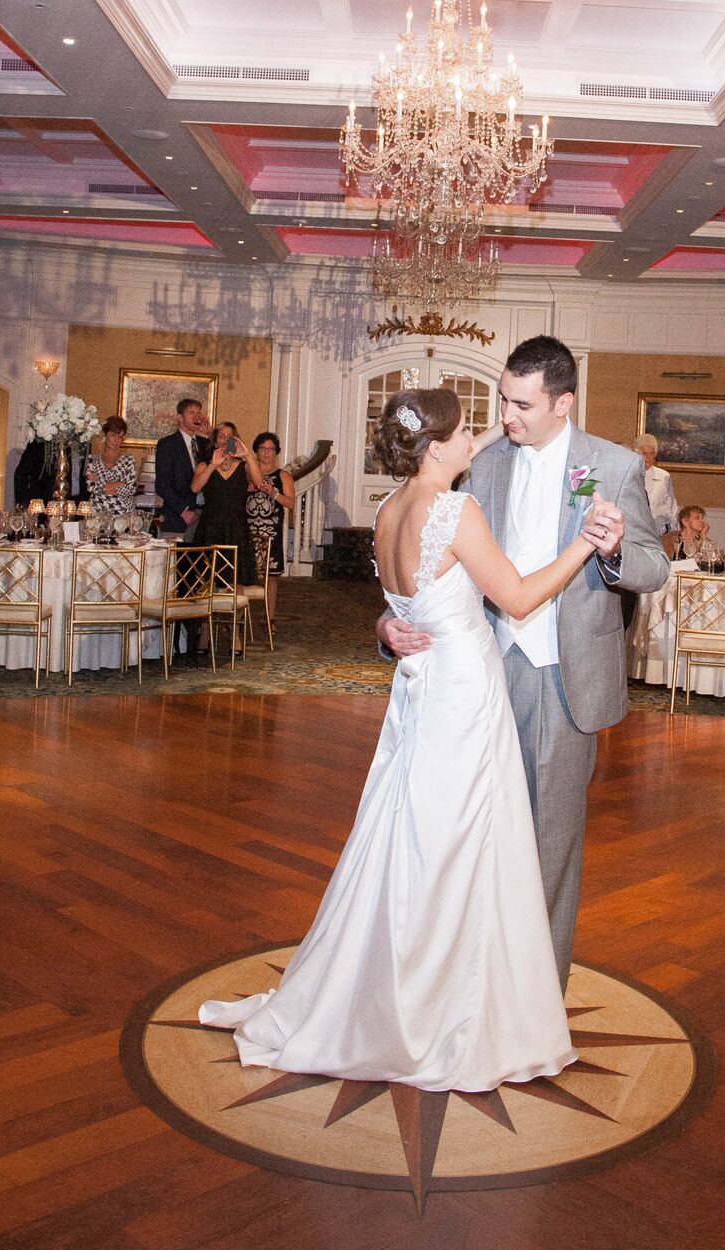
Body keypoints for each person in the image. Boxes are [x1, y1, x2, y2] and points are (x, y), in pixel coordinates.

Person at [197, 387, 619, 1090]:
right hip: (460, 697)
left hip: (418, 695)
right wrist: (584, 541)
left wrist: (383, 629)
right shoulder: (454, 511)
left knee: (409, 837)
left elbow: (403, 603)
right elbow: (514, 599)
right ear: (434, 446)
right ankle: (441, 1005)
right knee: (456, 844)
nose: (475, 445)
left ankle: (398, 981)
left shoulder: (392, 508)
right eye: (463, 437)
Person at [380, 334, 667, 989]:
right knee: (468, 828)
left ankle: (532, 991)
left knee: (549, 842)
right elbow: (421, 554)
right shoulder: (481, 461)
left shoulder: (613, 465)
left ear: (563, 403)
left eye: (521, 404)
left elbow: (651, 568)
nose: (504, 417)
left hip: (563, 678)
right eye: (502, 400)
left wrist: (615, 549)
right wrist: (390, 623)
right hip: (479, 673)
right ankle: (464, 972)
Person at [192, 421, 263, 586]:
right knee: (207, 581)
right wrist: (213, 465)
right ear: (216, 441)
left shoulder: (244, 466)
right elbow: (195, 488)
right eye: (221, 437)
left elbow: (259, 483)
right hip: (210, 528)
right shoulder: (205, 464)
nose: (225, 440)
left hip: (236, 528)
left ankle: (235, 613)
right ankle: (210, 612)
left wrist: (247, 455)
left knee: (236, 581)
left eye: (230, 437)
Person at [245, 431, 294, 619]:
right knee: (246, 575)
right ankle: (243, 617)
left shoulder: (283, 475)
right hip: (248, 530)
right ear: (256, 452)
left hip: (271, 531)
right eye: (262, 449)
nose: (266, 453)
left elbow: (290, 503)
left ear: (276, 452)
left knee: (271, 576)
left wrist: (273, 494)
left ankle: (270, 617)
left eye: (270, 449)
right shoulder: (248, 472)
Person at [154, 397, 210, 539]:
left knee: (199, 560)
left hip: (205, 518)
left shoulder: (206, 444)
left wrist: (210, 433)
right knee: (174, 560)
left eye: (199, 412)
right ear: (180, 417)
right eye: (192, 412)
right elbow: (162, 485)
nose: (197, 416)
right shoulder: (167, 444)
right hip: (177, 517)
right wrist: (183, 511)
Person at [85, 416, 138, 521]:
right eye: (113, 435)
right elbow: (91, 488)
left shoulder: (128, 460)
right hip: (97, 513)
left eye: (120, 436)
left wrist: (100, 482)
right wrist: (119, 484)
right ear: (105, 435)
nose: (116, 440)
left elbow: (131, 489)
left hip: (123, 514)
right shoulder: (92, 460)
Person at [632, 432, 678, 534]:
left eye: (651, 453)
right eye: (644, 453)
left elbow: (671, 505)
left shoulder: (664, 476)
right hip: (635, 529)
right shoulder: (630, 475)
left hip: (658, 529)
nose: (648, 457)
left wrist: (672, 529)